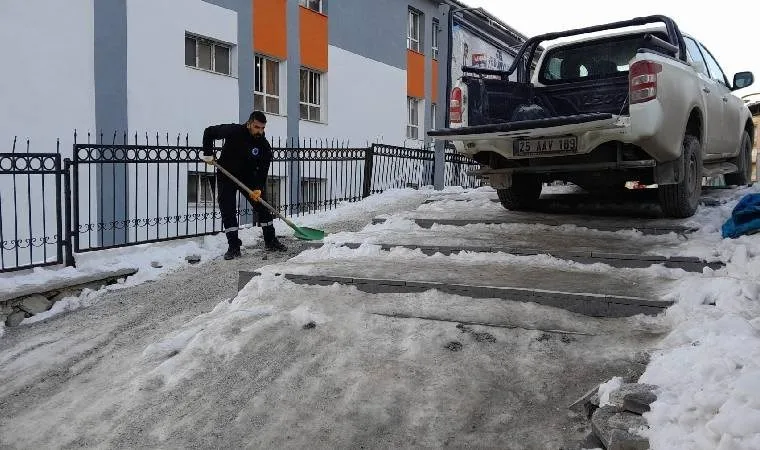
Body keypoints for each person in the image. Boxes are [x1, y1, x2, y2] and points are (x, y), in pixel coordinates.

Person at [201, 110, 287, 260]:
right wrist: (208, 153)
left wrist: (258, 188)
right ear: (249, 124)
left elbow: (263, 170)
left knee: (263, 206)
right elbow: (209, 132)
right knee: (228, 210)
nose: (259, 131)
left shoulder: (263, 146)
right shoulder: (234, 131)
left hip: (248, 178)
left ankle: (271, 240)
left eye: (262, 128)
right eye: (256, 127)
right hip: (226, 175)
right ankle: (234, 247)